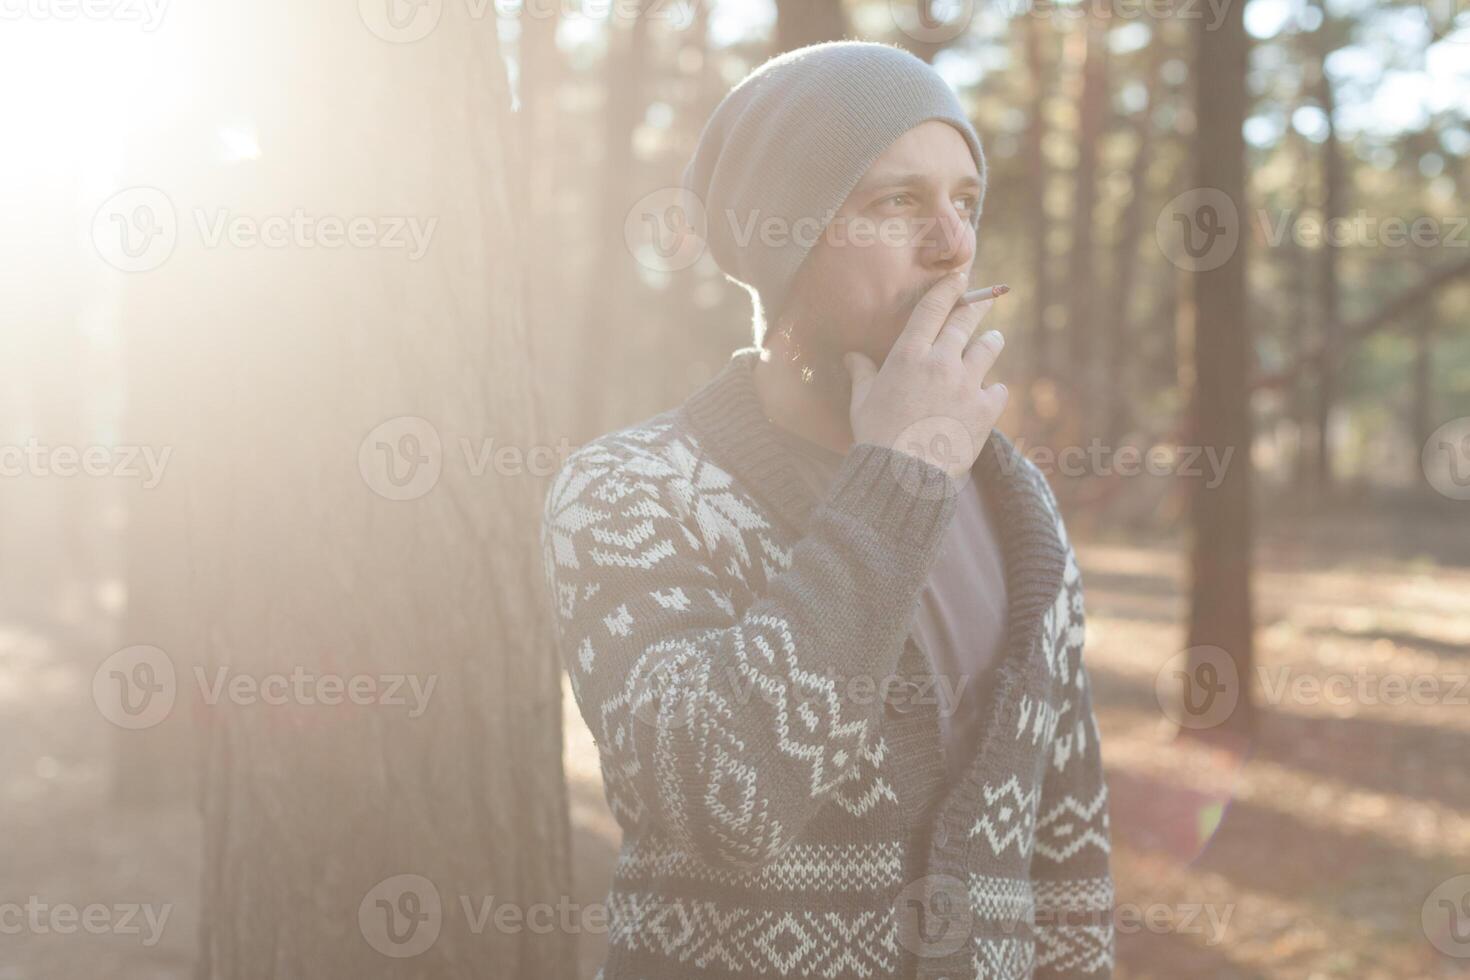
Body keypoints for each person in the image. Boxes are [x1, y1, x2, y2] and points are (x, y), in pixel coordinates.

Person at [540, 39, 1113, 980]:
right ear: (788, 235)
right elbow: (722, 804)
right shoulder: (633, 491)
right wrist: (900, 477)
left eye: (965, 202)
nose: (954, 243)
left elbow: (1071, 869)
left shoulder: (1021, 508)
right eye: (898, 202)